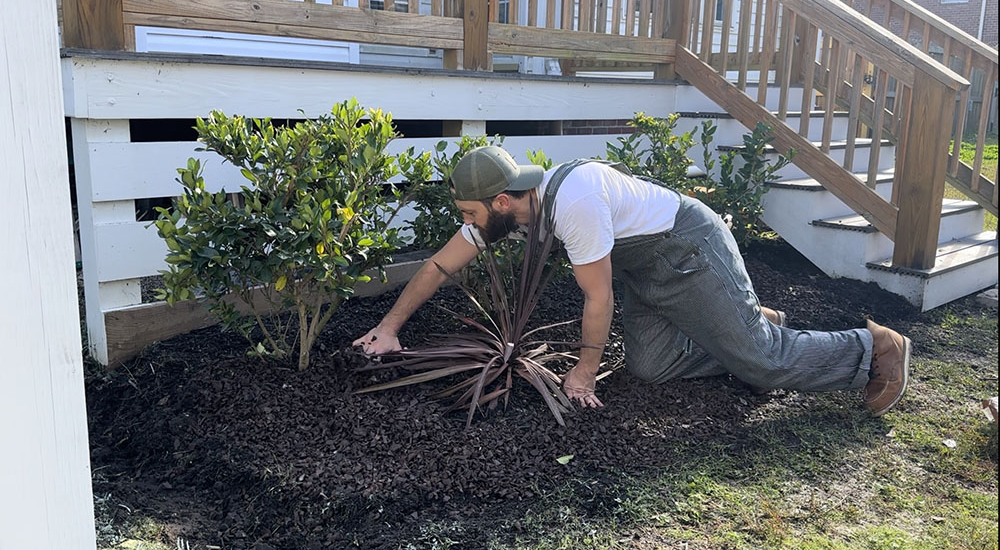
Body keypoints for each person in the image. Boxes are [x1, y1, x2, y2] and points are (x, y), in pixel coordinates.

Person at [353, 146, 910, 416]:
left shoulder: (574, 202)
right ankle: (745, 325)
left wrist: (583, 373)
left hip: (686, 249)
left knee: (763, 363)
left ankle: (873, 348)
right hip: (648, 268)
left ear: (501, 200)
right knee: (651, 367)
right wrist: (389, 327)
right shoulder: (511, 213)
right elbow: (438, 265)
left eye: (472, 214)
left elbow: (599, 295)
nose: (470, 225)